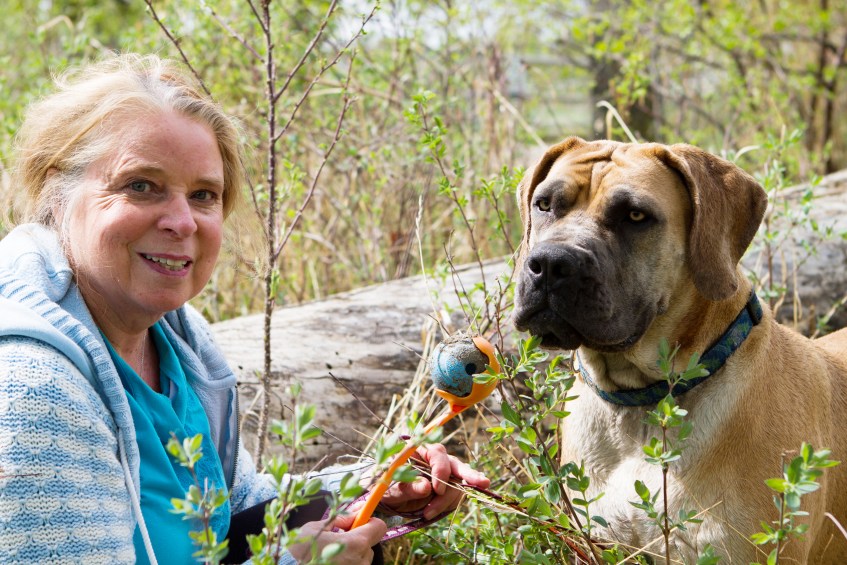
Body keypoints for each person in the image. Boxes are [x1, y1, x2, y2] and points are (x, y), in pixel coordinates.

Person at [0, 53, 489, 565]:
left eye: (203, 194)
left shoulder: (177, 345)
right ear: (58, 193)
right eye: (140, 185)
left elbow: (231, 518)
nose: (183, 221)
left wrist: (372, 488)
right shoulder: (32, 391)